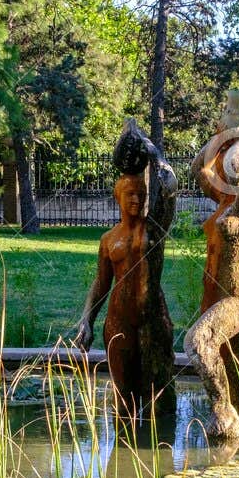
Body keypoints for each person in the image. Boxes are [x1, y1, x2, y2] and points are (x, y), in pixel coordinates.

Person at [69, 119, 178, 414]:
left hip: (151, 319)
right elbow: (102, 283)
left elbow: (169, 190)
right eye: (129, 193)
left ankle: (158, 451)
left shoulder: (152, 230)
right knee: (123, 400)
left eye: (141, 193)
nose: (136, 198)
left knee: (159, 401)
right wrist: (87, 320)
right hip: (118, 322)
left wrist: (155, 155)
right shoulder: (109, 240)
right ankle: (123, 453)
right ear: (117, 196)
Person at [185, 92, 239, 440]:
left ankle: (225, 415)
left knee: (198, 342)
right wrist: (220, 137)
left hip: (237, 295)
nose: (229, 168)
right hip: (212, 293)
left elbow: (233, 173)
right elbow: (198, 170)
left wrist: (238, 141)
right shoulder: (222, 201)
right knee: (229, 362)